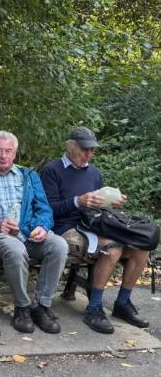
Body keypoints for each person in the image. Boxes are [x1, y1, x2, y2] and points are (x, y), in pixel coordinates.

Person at [41, 126, 149, 333]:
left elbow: (98, 208)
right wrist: (77, 201)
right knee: (113, 249)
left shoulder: (94, 173)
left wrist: (111, 202)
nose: (89, 154)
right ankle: (94, 308)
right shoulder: (52, 170)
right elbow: (47, 210)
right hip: (65, 227)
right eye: (84, 149)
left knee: (142, 246)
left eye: (92, 150)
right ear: (70, 146)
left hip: (94, 225)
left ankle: (122, 303)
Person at [0, 131, 68, 334]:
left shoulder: (28, 176)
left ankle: (41, 307)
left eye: (8, 151)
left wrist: (42, 226)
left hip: (28, 231)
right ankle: (22, 308)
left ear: (14, 153)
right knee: (16, 250)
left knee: (59, 245)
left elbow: (44, 208)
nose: (3, 155)